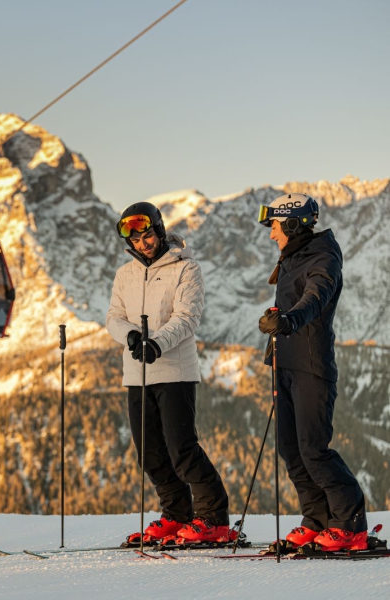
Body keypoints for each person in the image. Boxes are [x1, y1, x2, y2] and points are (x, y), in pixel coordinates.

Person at [106, 202, 231, 544]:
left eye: (147, 236)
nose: (143, 244)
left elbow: (187, 317)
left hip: (175, 371)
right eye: (135, 240)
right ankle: (177, 515)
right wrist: (131, 336)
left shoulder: (185, 268)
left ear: (160, 231)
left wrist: (157, 344)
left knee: (182, 450)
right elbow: (113, 317)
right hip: (137, 374)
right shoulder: (125, 274)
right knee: (150, 454)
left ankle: (214, 518)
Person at [257, 193, 368, 551]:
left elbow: (315, 298)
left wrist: (289, 320)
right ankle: (317, 518)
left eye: (275, 226)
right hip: (285, 364)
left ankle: (349, 523)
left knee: (314, 450)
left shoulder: (323, 256)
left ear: (293, 223)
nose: (272, 234)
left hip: (311, 366)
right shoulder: (292, 256)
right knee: (291, 449)